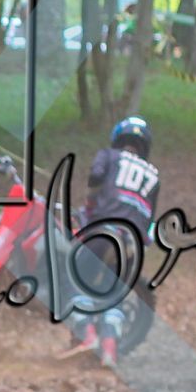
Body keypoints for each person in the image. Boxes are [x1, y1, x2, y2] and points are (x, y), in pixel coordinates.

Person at [64, 115, 160, 367]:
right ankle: (109, 351)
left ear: (118, 138)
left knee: (72, 278)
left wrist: (90, 206)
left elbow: (96, 177)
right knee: (111, 292)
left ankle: (87, 335)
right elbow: (150, 218)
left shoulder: (108, 156)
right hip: (131, 244)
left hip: (104, 230)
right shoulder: (153, 174)